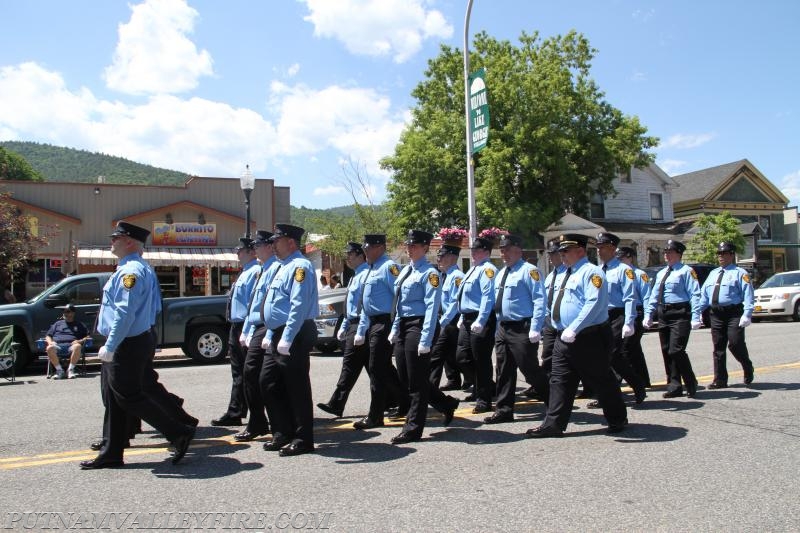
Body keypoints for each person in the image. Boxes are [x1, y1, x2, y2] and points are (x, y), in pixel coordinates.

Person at [81, 221, 195, 469]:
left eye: (116, 238)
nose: (112, 241)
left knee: (128, 395)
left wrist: (111, 345)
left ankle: (178, 431)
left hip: (127, 341)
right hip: (131, 339)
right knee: (115, 397)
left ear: (130, 242)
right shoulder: (131, 267)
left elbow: (124, 312)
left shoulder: (130, 271)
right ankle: (112, 450)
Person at [526, 234, 628, 438]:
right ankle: (553, 424)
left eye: (566, 251)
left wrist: (575, 327)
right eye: (561, 251)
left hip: (587, 336)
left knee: (601, 379)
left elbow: (594, 303)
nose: (562, 255)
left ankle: (618, 419)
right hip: (562, 336)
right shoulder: (567, 273)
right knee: (559, 380)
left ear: (580, 251)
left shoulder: (592, 272)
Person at [388, 230, 459, 444]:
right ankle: (446, 404)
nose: (410, 249)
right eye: (409, 245)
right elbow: (399, 303)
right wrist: (394, 328)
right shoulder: (404, 272)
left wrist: (426, 339)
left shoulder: (430, 274)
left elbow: (432, 307)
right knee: (406, 376)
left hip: (419, 326)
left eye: (415, 246)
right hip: (403, 325)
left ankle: (413, 428)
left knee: (416, 382)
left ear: (425, 248)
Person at [259, 223, 318, 456]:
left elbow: (298, 305)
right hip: (279, 334)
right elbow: (276, 305)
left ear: (291, 242)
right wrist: (272, 333)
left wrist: (287, 337)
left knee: (296, 387)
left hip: (295, 333)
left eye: (277, 240)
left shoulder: (300, 266)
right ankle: (282, 431)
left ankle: (303, 438)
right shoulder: (282, 267)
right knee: (268, 382)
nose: (273, 245)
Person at [485, 234, 549, 424]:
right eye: (501, 250)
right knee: (503, 370)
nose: (503, 253)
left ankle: (554, 401)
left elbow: (539, 300)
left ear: (518, 250)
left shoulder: (529, 271)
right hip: (504, 327)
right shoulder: (501, 272)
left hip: (522, 327)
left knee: (529, 368)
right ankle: (504, 410)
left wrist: (536, 327)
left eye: (506, 250)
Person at [352, 234, 409, 430]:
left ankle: (375, 416)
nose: (365, 250)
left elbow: (399, 297)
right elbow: (368, 304)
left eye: (368, 247)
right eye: (364, 247)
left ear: (380, 247)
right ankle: (418, 402)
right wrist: (361, 329)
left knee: (377, 369)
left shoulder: (388, 267)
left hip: (385, 323)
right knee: (383, 369)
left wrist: (395, 326)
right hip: (373, 323)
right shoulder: (372, 268)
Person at [317, 242, 372, 417]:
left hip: (361, 325)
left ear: (361, 255)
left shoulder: (366, 275)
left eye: (351, 255)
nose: (347, 258)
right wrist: (344, 325)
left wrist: (360, 329)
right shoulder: (356, 276)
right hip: (353, 324)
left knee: (350, 365)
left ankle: (336, 403)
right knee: (376, 368)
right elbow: (350, 306)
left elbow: (365, 306)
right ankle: (398, 399)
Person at [643, 239, 702, 398]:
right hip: (664, 313)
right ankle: (674, 385)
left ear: (679, 254)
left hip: (680, 312)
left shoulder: (686, 271)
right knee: (666, 351)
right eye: (665, 252)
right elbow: (654, 295)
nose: (666, 255)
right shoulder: (662, 273)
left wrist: (696, 315)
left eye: (670, 252)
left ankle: (690, 381)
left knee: (676, 349)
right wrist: (649, 314)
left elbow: (695, 294)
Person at [234, 230, 278, 442]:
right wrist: (247, 330)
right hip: (255, 327)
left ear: (269, 246)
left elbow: (271, 306)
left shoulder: (274, 269)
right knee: (251, 376)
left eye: (258, 245)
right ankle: (259, 422)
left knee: (257, 376)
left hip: (266, 328)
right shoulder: (263, 269)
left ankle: (264, 422)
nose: (254, 249)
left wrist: (266, 331)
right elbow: (254, 304)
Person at [211, 237, 260, 427]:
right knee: (238, 372)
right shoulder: (245, 272)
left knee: (249, 373)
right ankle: (236, 411)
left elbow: (252, 305)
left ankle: (254, 414)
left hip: (246, 326)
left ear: (251, 252)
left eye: (241, 250)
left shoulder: (255, 271)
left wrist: (246, 331)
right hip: (236, 325)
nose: (237, 253)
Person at [593, 232, 646, 405]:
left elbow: (630, 297)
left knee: (613, 355)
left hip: (618, 316)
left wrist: (629, 322)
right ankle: (608, 395)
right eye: (598, 247)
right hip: (601, 317)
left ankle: (637, 386)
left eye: (603, 247)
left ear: (613, 249)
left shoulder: (624, 270)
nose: (599, 251)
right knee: (602, 358)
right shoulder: (597, 271)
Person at [698, 241, 755, 388]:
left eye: (724, 253)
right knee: (718, 348)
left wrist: (747, 314)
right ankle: (720, 380)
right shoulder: (713, 273)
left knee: (735, 344)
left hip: (733, 313)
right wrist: (697, 312)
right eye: (719, 254)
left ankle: (747, 365)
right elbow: (704, 295)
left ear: (731, 255)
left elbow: (748, 294)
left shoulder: (740, 273)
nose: (720, 256)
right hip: (716, 314)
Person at [455, 236, 497, 414]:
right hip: (466, 318)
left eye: (477, 250)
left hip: (481, 318)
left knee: (481, 360)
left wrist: (481, 319)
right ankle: (484, 386)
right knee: (462, 357)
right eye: (472, 250)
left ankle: (484, 398)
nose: (473, 252)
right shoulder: (473, 269)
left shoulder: (488, 270)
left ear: (486, 252)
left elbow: (488, 297)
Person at [429, 244, 466, 391]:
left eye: (442, 256)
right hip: (444, 318)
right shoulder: (443, 275)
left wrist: (443, 321)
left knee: (437, 353)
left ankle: (430, 389)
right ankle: (454, 379)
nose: (438, 259)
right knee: (450, 353)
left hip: (452, 319)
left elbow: (454, 303)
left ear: (452, 257)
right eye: (438, 256)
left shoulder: (457, 277)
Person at [615, 246, 652, 388]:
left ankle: (618, 380)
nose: (619, 260)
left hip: (636, 314)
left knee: (623, 349)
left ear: (630, 257)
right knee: (634, 349)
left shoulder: (639, 274)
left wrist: (648, 316)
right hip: (622, 313)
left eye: (621, 257)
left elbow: (646, 297)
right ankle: (643, 380)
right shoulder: (618, 272)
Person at [540, 239, 566, 380]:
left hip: (563, 320)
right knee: (547, 353)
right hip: (550, 319)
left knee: (572, 355)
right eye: (549, 254)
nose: (550, 257)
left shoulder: (568, 273)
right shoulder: (550, 276)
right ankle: (546, 384)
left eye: (553, 254)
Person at [44, 303, 89, 379]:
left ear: (73, 313)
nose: (65, 313)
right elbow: (48, 336)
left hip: (71, 346)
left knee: (77, 346)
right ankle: (59, 371)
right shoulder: (57, 324)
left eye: (67, 311)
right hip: (57, 346)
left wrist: (79, 341)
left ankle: (70, 370)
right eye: (64, 312)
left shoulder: (79, 324)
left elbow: (87, 336)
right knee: (49, 348)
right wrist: (50, 342)